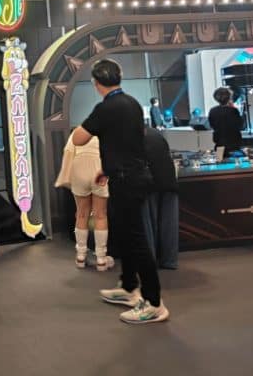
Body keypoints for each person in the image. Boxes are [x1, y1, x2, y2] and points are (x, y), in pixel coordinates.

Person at [72, 59, 168, 325]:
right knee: (126, 235)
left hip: (128, 181)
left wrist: (89, 125)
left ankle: (154, 303)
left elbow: (78, 138)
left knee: (136, 239)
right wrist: (108, 169)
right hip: (130, 175)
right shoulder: (132, 103)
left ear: (96, 83)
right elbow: (125, 143)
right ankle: (128, 287)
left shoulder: (106, 108)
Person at [55, 132, 112, 271]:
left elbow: (68, 152)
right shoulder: (106, 132)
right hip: (99, 171)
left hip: (79, 170)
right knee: (100, 215)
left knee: (81, 214)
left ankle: (80, 256)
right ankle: (101, 259)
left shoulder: (78, 132)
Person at [142, 127, 179, 270]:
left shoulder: (129, 136)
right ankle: (170, 260)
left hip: (147, 182)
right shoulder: (155, 134)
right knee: (169, 222)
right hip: (168, 180)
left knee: (147, 223)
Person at [208, 87, 244, 154]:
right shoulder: (233, 111)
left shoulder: (212, 111)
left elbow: (212, 125)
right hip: (233, 144)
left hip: (219, 144)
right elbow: (240, 125)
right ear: (229, 98)